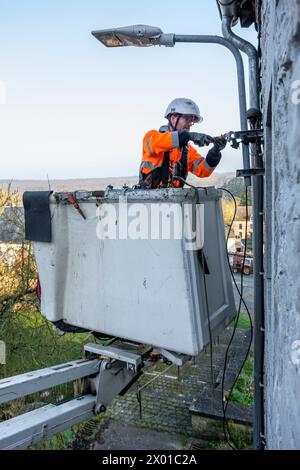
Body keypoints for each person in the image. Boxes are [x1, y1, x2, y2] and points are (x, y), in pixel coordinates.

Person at [139, 98, 227, 189]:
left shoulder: (187, 150)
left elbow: (203, 170)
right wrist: (190, 136)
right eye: (187, 119)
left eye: (192, 121)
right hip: (149, 200)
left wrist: (215, 152)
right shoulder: (152, 137)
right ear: (173, 118)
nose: (190, 124)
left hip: (175, 200)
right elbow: (166, 141)